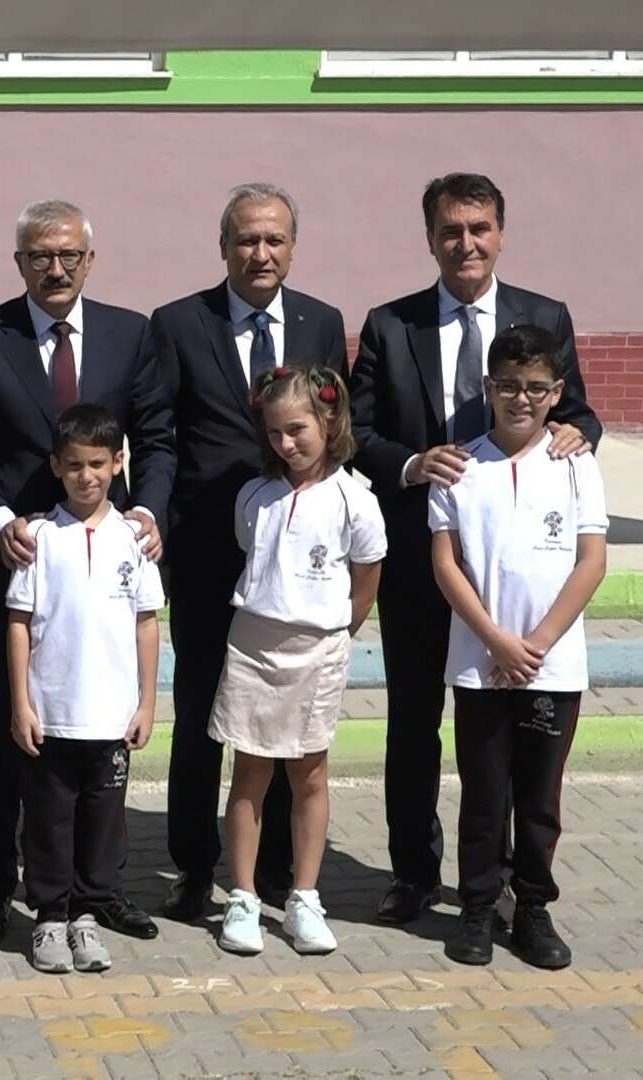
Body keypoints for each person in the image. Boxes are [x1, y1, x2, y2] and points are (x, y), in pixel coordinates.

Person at [349, 173, 602, 926]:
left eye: (480, 228)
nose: (467, 243)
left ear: (500, 234)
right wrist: (411, 463)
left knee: (512, 740)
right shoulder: (390, 325)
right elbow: (355, 432)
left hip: (515, 577)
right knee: (413, 723)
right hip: (426, 564)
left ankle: (513, 886)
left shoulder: (544, 316)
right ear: (431, 238)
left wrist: (577, 432)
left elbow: (579, 412)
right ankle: (413, 873)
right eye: (452, 230)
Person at [0, 198, 171, 943]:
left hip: (105, 564)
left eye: (70, 254)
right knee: (9, 730)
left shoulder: (129, 334)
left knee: (103, 736)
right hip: (15, 561)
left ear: (89, 260)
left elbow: (157, 437)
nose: (56, 268)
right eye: (41, 255)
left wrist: (148, 512)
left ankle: (99, 889)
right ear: (19, 263)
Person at [148, 185, 346, 920]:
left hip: (295, 563)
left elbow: (337, 433)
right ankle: (194, 866)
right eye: (246, 240)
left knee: (289, 724)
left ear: (292, 247)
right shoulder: (177, 323)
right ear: (224, 246)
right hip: (207, 554)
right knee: (203, 714)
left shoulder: (323, 322)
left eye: (274, 240)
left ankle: (274, 870)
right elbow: (161, 434)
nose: (260, 253)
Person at [429, 326, 607, 970]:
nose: (521, 399)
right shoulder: (459, 467)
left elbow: (591, 561)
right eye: (508, 386)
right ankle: (478, 907)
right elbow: (446, 563)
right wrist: (497, 642)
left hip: (550, 669)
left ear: (557, 392)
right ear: (487, 388)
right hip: (481, 665)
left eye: (535, 387)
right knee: (483, 795)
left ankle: (531, 906)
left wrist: (535, 644)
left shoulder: (575, 463)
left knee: (539, 800)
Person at [210, 366, 384, 957]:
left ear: (329, 421)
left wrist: (338, 629)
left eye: (298, 429)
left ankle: (304, 896)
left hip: (318, 650)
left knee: (308, 774)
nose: (286, 443)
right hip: (253, 645)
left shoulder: (356, 500)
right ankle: (242, 896)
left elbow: (366, 576)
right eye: (275, 432)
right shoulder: (254, 496)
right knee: (249, 771)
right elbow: (253, 557)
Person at [6, 405, 162, 975]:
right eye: (74, 465)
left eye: (98, 464)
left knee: (101, 822)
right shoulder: (40, 537)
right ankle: (49, 917)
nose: (86, 476)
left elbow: (147, 623)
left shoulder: (136, 540)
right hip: (52, 713)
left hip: (112, 719)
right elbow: (19, 623)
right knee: (48, 821)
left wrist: (147, 703)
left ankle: (86, 916)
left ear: (118, 463)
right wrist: (21, 703)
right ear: (55, 466)